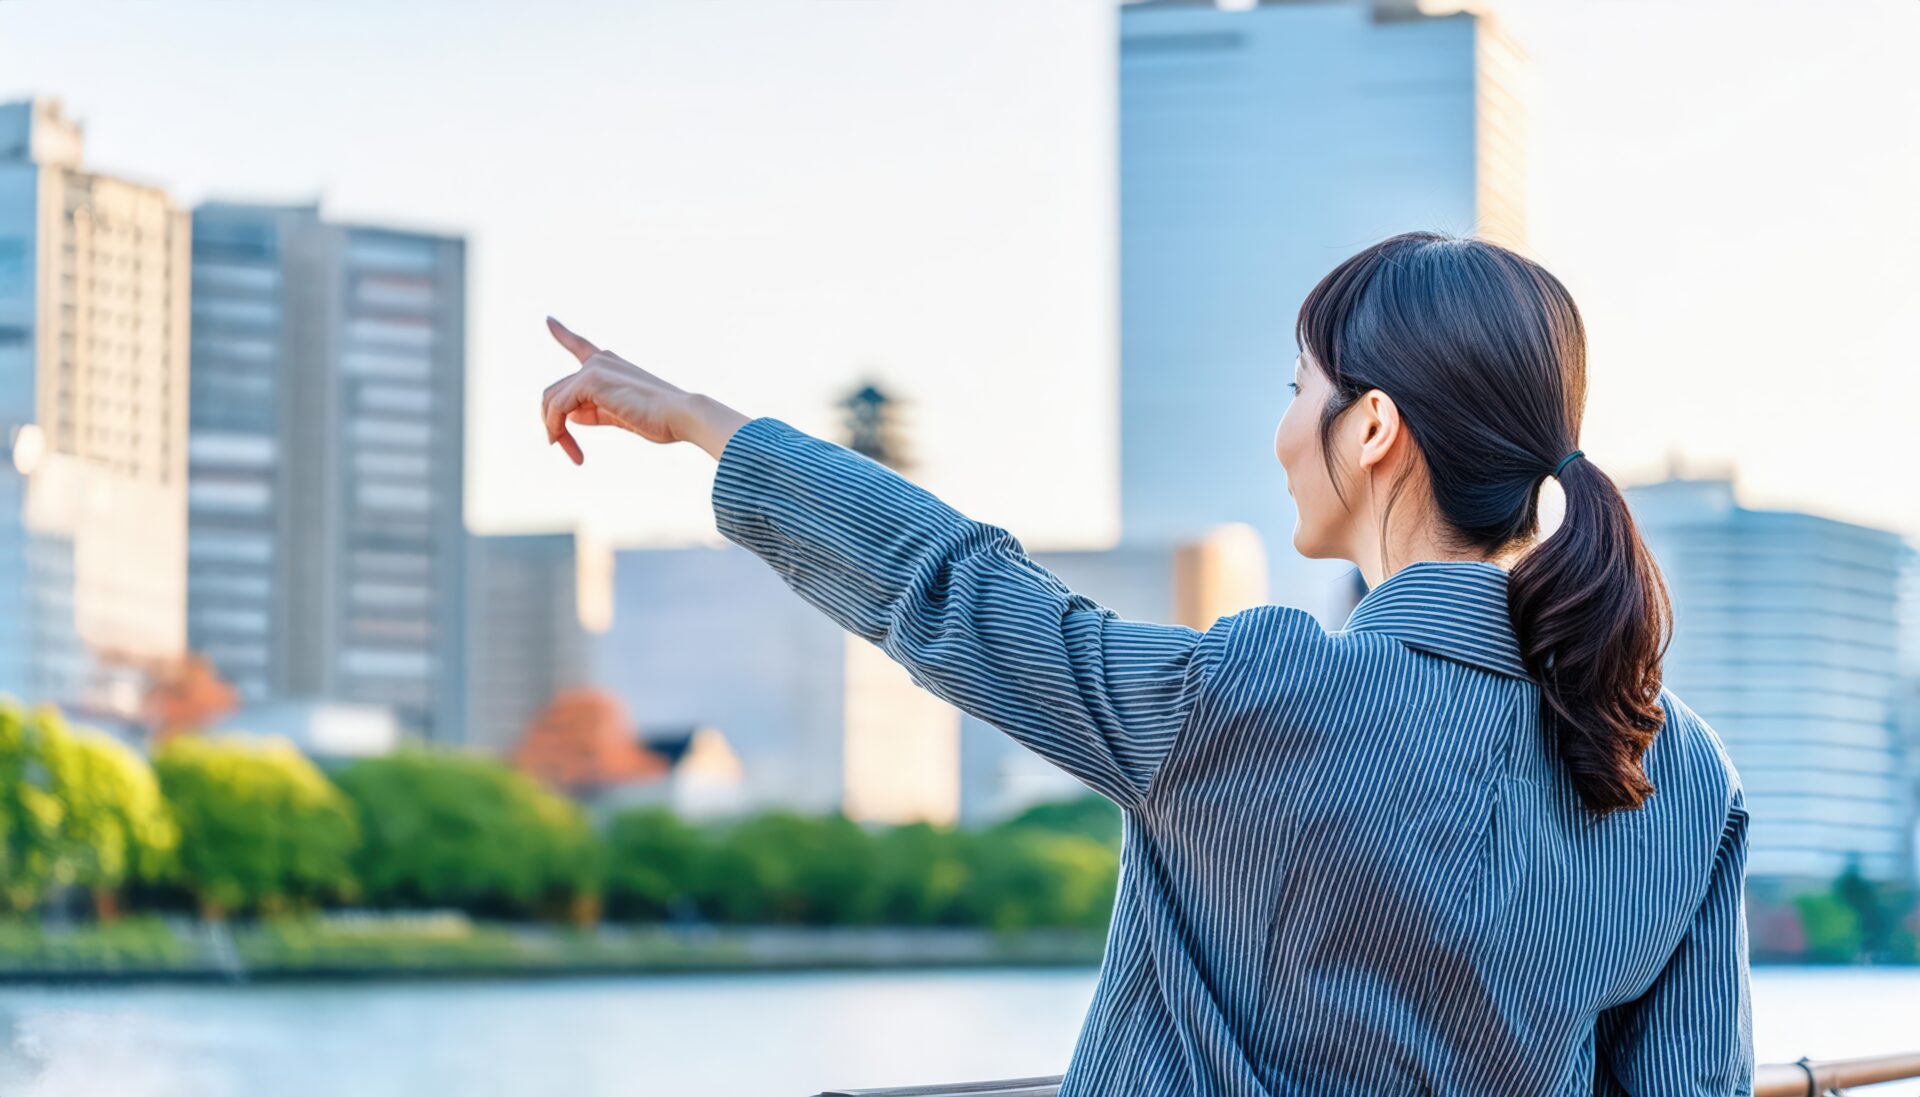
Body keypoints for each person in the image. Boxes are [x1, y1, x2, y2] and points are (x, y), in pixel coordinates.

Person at [538, 230, 1751, 1096]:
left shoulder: (1257, 695)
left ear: (1374, 427)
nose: (1284, 432)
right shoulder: (1683, 769)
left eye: (1300, 390)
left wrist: (703, 424)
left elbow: (951, 587)